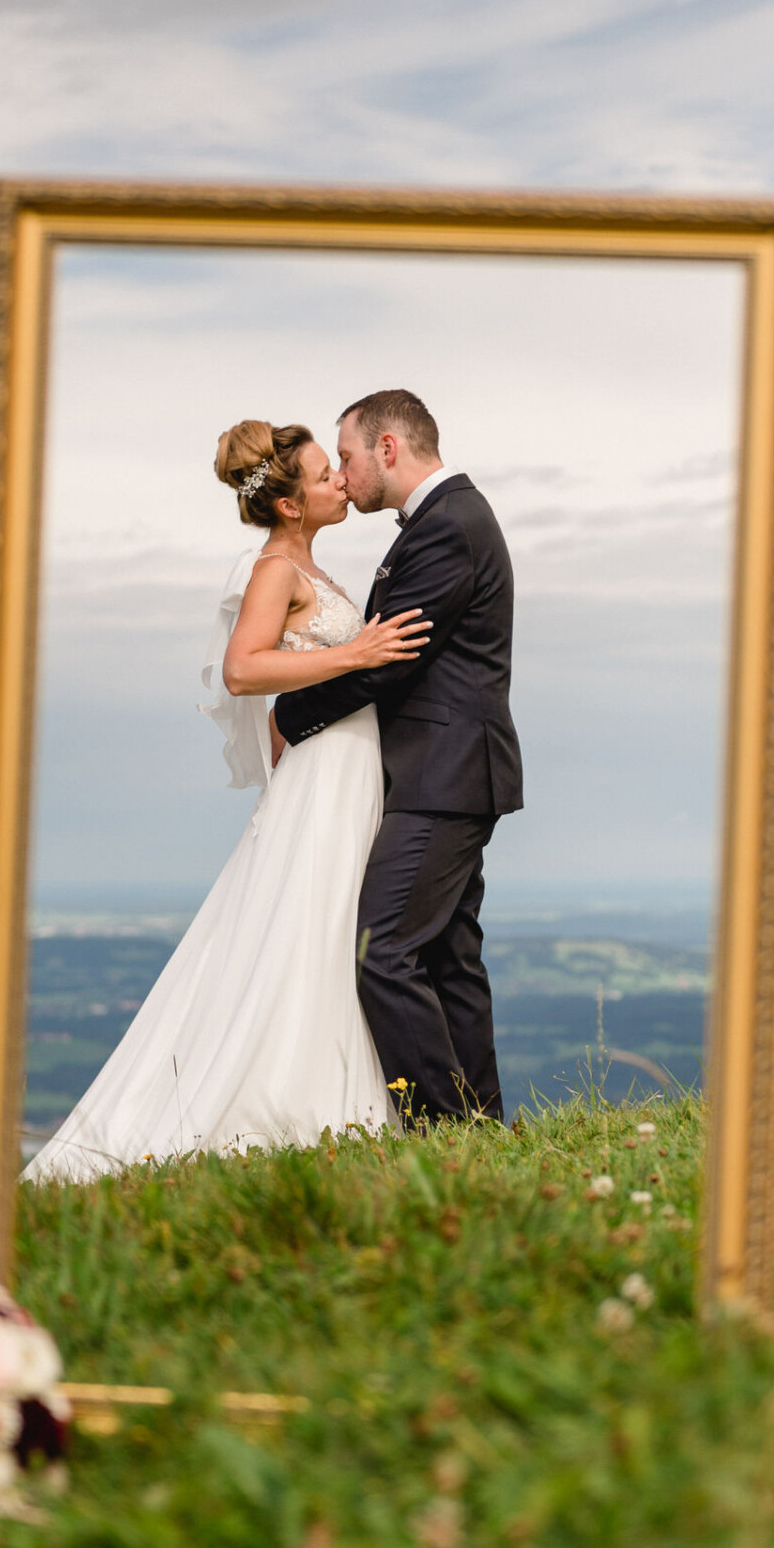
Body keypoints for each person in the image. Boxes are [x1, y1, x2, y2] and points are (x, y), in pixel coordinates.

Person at [22, 420, 430, 1182]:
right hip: (328, 774)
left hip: (345, 767)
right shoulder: (275, 566)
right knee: (318, 922)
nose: (340, 481)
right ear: (288, 505)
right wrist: (358, 652)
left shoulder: (310, 564)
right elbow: (242, 670)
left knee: (338, 928)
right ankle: (298, 1107)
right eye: (322, 474)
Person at [273, 390, 523, 1126]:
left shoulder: (449, 526)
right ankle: (480, 1127)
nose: (344, 476)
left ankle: (443, 1129)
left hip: (440, 776)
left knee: (380, 951)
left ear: (388, 447)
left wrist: (290, 715)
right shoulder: (446, 521)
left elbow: (390, 662)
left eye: (346, 456)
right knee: (448, 958)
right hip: (448, 773)